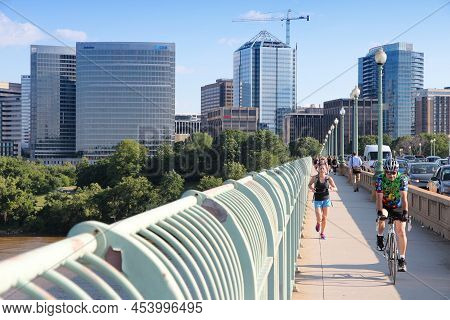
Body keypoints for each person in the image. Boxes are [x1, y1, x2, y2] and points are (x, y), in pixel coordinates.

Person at [375, 158, 409, 272]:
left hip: (398, 205)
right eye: (388, 172)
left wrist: (405, 213)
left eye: (393, 172)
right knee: (382, 218)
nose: (391, 175)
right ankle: (380, 237)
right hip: (385, 204)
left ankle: (402, 259)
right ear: (385, 171)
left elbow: (404, 198)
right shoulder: (380, 178)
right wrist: (380, 212)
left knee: (401, 231)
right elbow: (379, 197)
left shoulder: (402, 179)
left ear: (397, 172)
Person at [308, 163, 338, 240]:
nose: (322, 170)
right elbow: (309, 184)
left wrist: (332, 188)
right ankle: (318, 223)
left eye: (323, 168)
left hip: (326, 199)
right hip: (317, 199)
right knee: (319, 218)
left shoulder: (329, 179)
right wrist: (312, 189)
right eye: (320, 168)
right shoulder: (315, 178)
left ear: (326, 170)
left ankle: (322, 233)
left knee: (324, 218)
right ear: (318, 169)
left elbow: (336, 188)